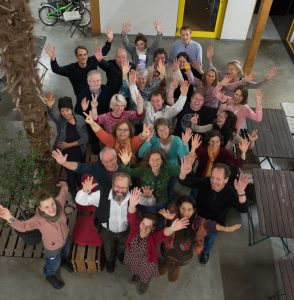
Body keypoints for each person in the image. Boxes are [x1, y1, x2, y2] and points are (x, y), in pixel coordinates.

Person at [0, 182, 73, 289]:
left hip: (66, 238)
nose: (52, 209)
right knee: (53, 263)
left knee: (65, 252)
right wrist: (10, 218)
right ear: (41, 208)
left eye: (52, 204)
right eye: (46, 207)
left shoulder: (59, 204)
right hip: (52, 248)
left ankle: (63, 261)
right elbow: (23, 226)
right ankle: (49, 274)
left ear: (54, 200)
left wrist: (64, 184)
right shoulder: (38, 220)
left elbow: (63, 192)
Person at [178, 158, 249, 264]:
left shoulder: (230, 192)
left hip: (215, 223)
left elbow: (243, 209)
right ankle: (196, 243)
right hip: (199, 218)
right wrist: (183, 173)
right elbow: (184, 181)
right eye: (212, 177)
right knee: (195, 233)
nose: (214, 181)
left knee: (210, 239)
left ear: (226, 180)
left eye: (218, 179)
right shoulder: (205, 182)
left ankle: (205, 252)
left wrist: (241, 192)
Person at [158, 195, 241, 282]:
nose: (186, 213)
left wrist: (225, 228)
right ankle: (167, 264)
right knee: (167, 257)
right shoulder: (172, 216)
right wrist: (169, 219)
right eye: (183, 208)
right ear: (178, 207)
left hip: (184, 254)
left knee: (179, 262)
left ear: (194, 210)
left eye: (189, 209)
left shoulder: (197, 222)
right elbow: (163, 231)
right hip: (168, 249)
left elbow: (208, 224)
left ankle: (176, 267)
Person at [124, 187, 189, 294]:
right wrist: (131, 205)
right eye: (143, 224)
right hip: (132, 256)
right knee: (134, 268)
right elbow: (132, 215)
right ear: (139, 222)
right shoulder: (135, 227)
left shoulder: (153, 237)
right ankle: (136, 274)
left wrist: (172, 228)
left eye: (149, 227)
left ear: (153, 229)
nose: (144, 228)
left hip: (146, 262)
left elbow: (163, 233)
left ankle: (144, 282)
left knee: (145, 274)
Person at [75, 172, 132, 273]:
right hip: (107, 230)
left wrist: (148, 196)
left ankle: (120, 255)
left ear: (129, 186)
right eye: (117, 186)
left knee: (123, 246)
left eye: (123, 187)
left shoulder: (133, 196)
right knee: (108, 248)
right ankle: (110, 262)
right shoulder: (101, 194)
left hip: (126, 230)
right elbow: (80, 201)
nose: (120, 190)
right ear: (112, 184)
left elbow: (148, 202)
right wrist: (85, 191)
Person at [44, 28, 113, 97]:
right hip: (81, 96)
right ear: (76, 57)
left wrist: (109, 41)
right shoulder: (71, 69)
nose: (83, 57)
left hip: (95, 92)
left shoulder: (92, 60)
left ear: (87, 55)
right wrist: (53, 59)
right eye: (80, 55)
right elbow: (57, 70)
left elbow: (103, 52)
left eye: (85, 54)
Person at [46, 92, 88, 199]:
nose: (65, 113)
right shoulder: (60, 120)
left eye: (67, 110)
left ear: (72, 109)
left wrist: (69, 145)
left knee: (78, 168)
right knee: (70, 172)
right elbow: (52, 113)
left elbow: (85, 138)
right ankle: (73, 189)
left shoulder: (80, 119)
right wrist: (50, 106)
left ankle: (80, 182)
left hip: (77, 148)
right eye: (62, 110)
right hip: (64, 152)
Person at [83, 112, 150, 166]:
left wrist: (143, 134)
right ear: (115, 131)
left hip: (132, 168)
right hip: (114, 168)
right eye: (119, 129)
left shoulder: (133, 141)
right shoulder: (112, 140)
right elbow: (100, 132)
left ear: (130, 132)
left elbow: (140, 137)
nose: (122, 132)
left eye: (125, 130)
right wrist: (92, 123)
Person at [52, 147, 122, 190]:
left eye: (111, 160)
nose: (109, 164)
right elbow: (78, 166)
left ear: (116, 158)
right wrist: (64, 163)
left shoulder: (124, 168)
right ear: (102, 162)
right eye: (106, 162)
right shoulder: (96, 167)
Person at [191, 110, 258, 150]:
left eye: (221, 117)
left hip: (220, 160)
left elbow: (248, 147)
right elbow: (196, 129)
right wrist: (194, 123)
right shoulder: (211, 127)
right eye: (219, 116)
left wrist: (252, 141)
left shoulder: (232, 136)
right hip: (205, 153)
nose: (218, 118)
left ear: (227, 121)